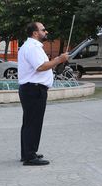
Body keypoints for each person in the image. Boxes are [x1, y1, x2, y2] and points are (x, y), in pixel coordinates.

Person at [18, 22, 69, 166]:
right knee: (33, 123)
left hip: (31, 89)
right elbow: (40, 67)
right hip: (34, 90)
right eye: (43, 30)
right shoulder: (33, 47)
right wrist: (59, 59)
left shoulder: (29, 46)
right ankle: (30, 157)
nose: (46, 32)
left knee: (28, 123)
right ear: (35, 33)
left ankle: (27, 153)